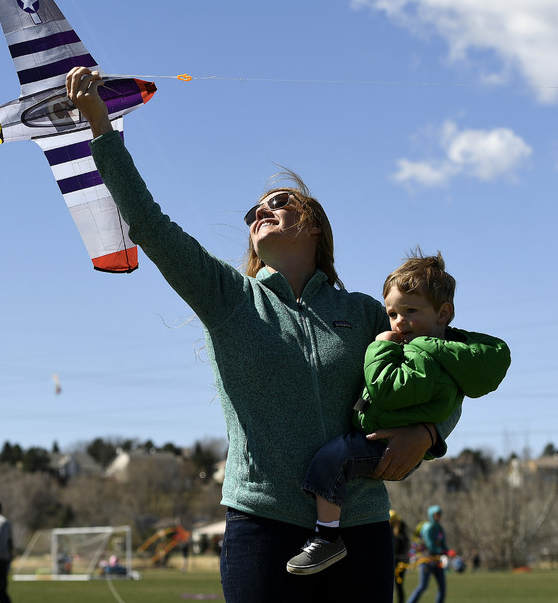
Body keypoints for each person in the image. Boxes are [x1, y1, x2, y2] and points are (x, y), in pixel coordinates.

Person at [66, 68, 455, 602]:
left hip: (361, 528)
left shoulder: (366, 313)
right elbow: (150, 225)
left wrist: (430, 434)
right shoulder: (227, 298)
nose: (259, 213)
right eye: (254, 212)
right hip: (260, 529)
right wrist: (101, 130)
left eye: (277, 203)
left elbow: (447, 371)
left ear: (314, 225)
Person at [286, 251, 509, 574]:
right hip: (385, 433)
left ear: (443, 314)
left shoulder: (426, 354)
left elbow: (387, 391)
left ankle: (326, 538)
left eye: (410, 311)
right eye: (392, 313)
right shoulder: (431, 350)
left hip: (386, 442)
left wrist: (380, 346)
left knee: (330, 461)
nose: (398, 322)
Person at [407, 506, 448, 603]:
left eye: (439, 515)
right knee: (423, 586)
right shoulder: (427, 528)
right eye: (436, 515)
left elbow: (443, 544)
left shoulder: (439, 528)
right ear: (431, 515)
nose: (438, 517)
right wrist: (444, 551)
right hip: (426, 560)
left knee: (442, 587)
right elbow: (431, 546)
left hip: (437, 560)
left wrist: (448, 551)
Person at [390, 511, 411, 603]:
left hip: (398, 562)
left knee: (398, 585)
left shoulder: (400, 533)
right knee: (396, 586)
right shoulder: (395, 532)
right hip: (397, 561)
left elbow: (398, 547)